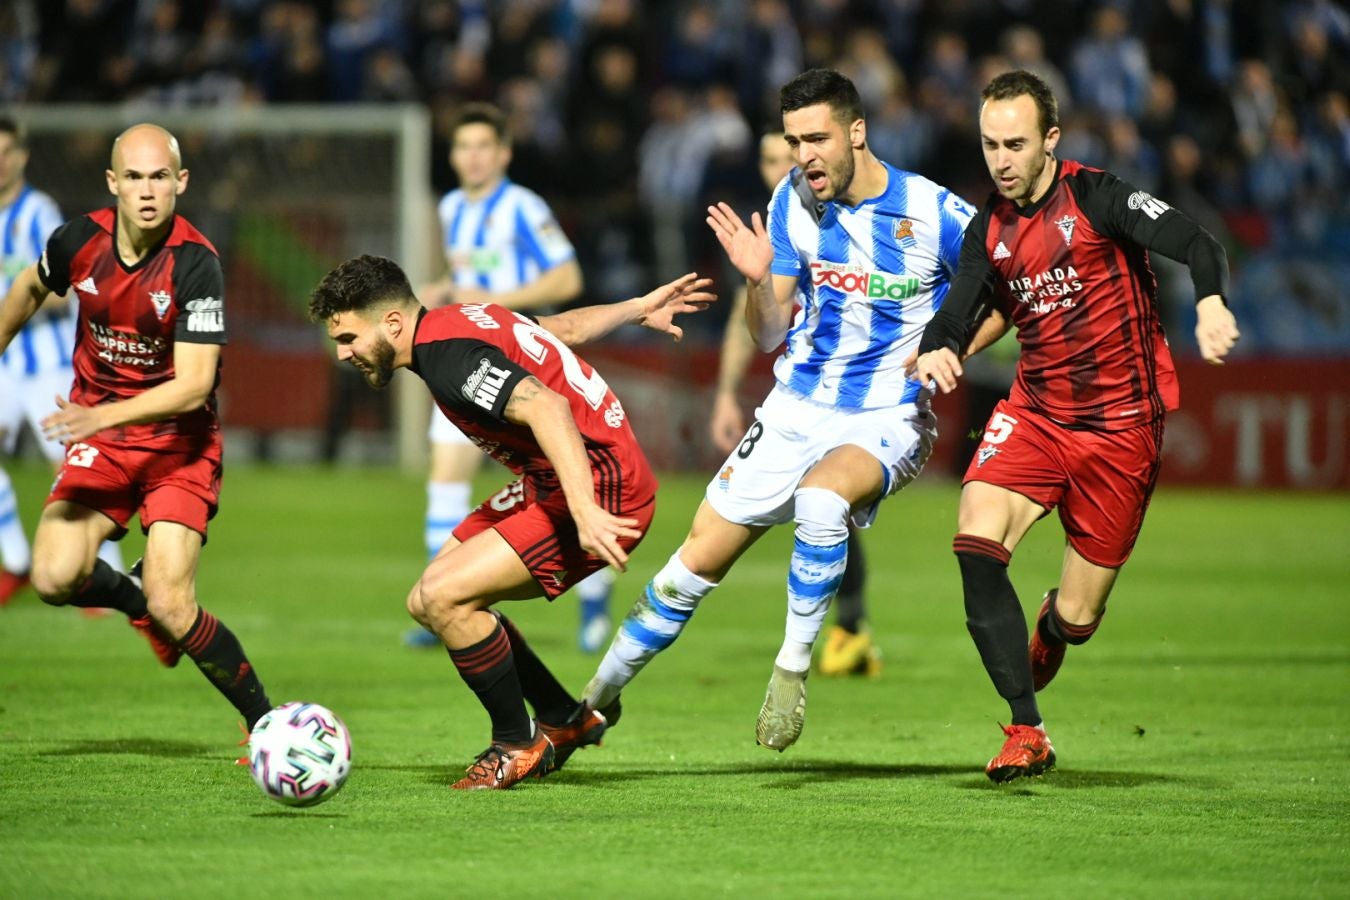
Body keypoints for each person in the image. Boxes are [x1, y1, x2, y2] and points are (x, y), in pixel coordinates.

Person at [583, 68, 974, 751]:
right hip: (796, 405)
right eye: (795, 140)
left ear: (857, 132)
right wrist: (760, 281)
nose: (805, 155)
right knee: (687, 570)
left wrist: (948, 343)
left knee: (824, 502)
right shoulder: (791, 201)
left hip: (888, 412)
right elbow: (768, 333)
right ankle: (590, 703)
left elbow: (998, 291)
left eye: (817, 138)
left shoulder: (935, 211)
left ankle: (791, 672)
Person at [909, 70, 1240, 783]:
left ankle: (1055, 625)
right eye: (991, 143)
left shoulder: (1097, 197)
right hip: (1036, 415)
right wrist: (939, 343)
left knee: (1080, 619)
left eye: (1016, 144)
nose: (1000, 159)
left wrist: (1210, 302)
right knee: (974, 538)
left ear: (1050, 141)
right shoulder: (988, 226)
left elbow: (1197, 241)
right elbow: (963, 301)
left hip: (1122, 431)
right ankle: (1027, 729)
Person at [307, 254, 714, 790]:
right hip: (560, 478)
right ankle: (562, 718)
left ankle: (515, 745)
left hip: (601, 486)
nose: (343, 354)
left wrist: (587, 510)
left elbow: (548, 408)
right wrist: (636, 308)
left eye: (349, 337)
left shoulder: (450, 360)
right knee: (426, 601)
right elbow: (559, 329)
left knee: (446, 596)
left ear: (392, 324)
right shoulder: (464, 317)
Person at [0, 123, 273, 732]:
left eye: (158, 178)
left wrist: (99, 415)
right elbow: (26, 287)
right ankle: (136, 603)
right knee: (52, 575)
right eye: (133, 177)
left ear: (180, 183)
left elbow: (194, 385)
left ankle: (268, 724)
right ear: (112, 183)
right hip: (105, 441)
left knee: (175, 602)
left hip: (179, 446)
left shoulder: (196, 264)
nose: (146, 191)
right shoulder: (78, 241)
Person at [407, 101, 617, 654]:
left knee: (560, 487)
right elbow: (463, 273)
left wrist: (494, 305)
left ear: (503, 153)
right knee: (445, 476)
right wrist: (441, 290)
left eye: (483, 147)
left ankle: (594, 608)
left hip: (520, 367)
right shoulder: (452, 207)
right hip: (461, 361)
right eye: (463, 147)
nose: (472, 157)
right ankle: (438, 596)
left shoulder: (523, 207)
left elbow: (568, 276)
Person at [707, 129, 880, 679]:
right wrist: (726, 395)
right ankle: (847, 630)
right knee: (824, 507)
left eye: (788, 155)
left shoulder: (845, 222)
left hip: (855, 396)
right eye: (771, 159)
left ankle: (849, 629)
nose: (783, 165)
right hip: (801, 390)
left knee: (832, 502)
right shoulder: (779, 227)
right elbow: (746, 318)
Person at [0, 115, 124, 607]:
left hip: (49, 364)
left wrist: (15, 299)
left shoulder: (39, 212)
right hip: (6, 366)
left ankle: (104, 580)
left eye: (7, 151)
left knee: (77, 467)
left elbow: (68, 286)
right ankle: (15, 562)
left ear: (22, 156)